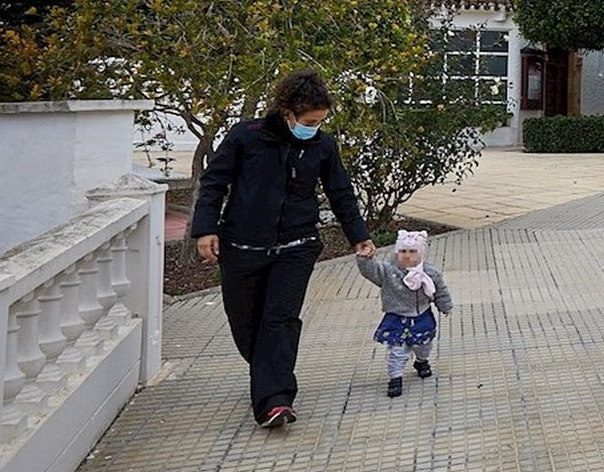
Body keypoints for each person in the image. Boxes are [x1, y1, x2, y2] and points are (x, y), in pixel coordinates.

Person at [191, 69, 375, 428]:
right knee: (246, 324)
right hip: (241, 247)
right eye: (309, 122)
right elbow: (213, 183)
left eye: (321, 122)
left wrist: (358, 234)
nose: (315, 128)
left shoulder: (323, 146)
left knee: (280, 319)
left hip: (297, 246)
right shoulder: (246, 136)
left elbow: (340, 192)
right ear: (288, 112)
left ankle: (275, 401)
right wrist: (205, 229)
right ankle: (268, 374)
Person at [356, 229, 452, 397]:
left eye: (412, 252)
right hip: (397, 317)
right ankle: (395, 378)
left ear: (421, 254)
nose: (407, 256)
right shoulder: (389, 271)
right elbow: (372, 271)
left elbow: (440, 291)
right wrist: (365, 259)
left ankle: (421, 361)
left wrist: (445, 305)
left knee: (423, 345)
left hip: (421, 316)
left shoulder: (430, 273)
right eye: (402, 251)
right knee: (397, 350)